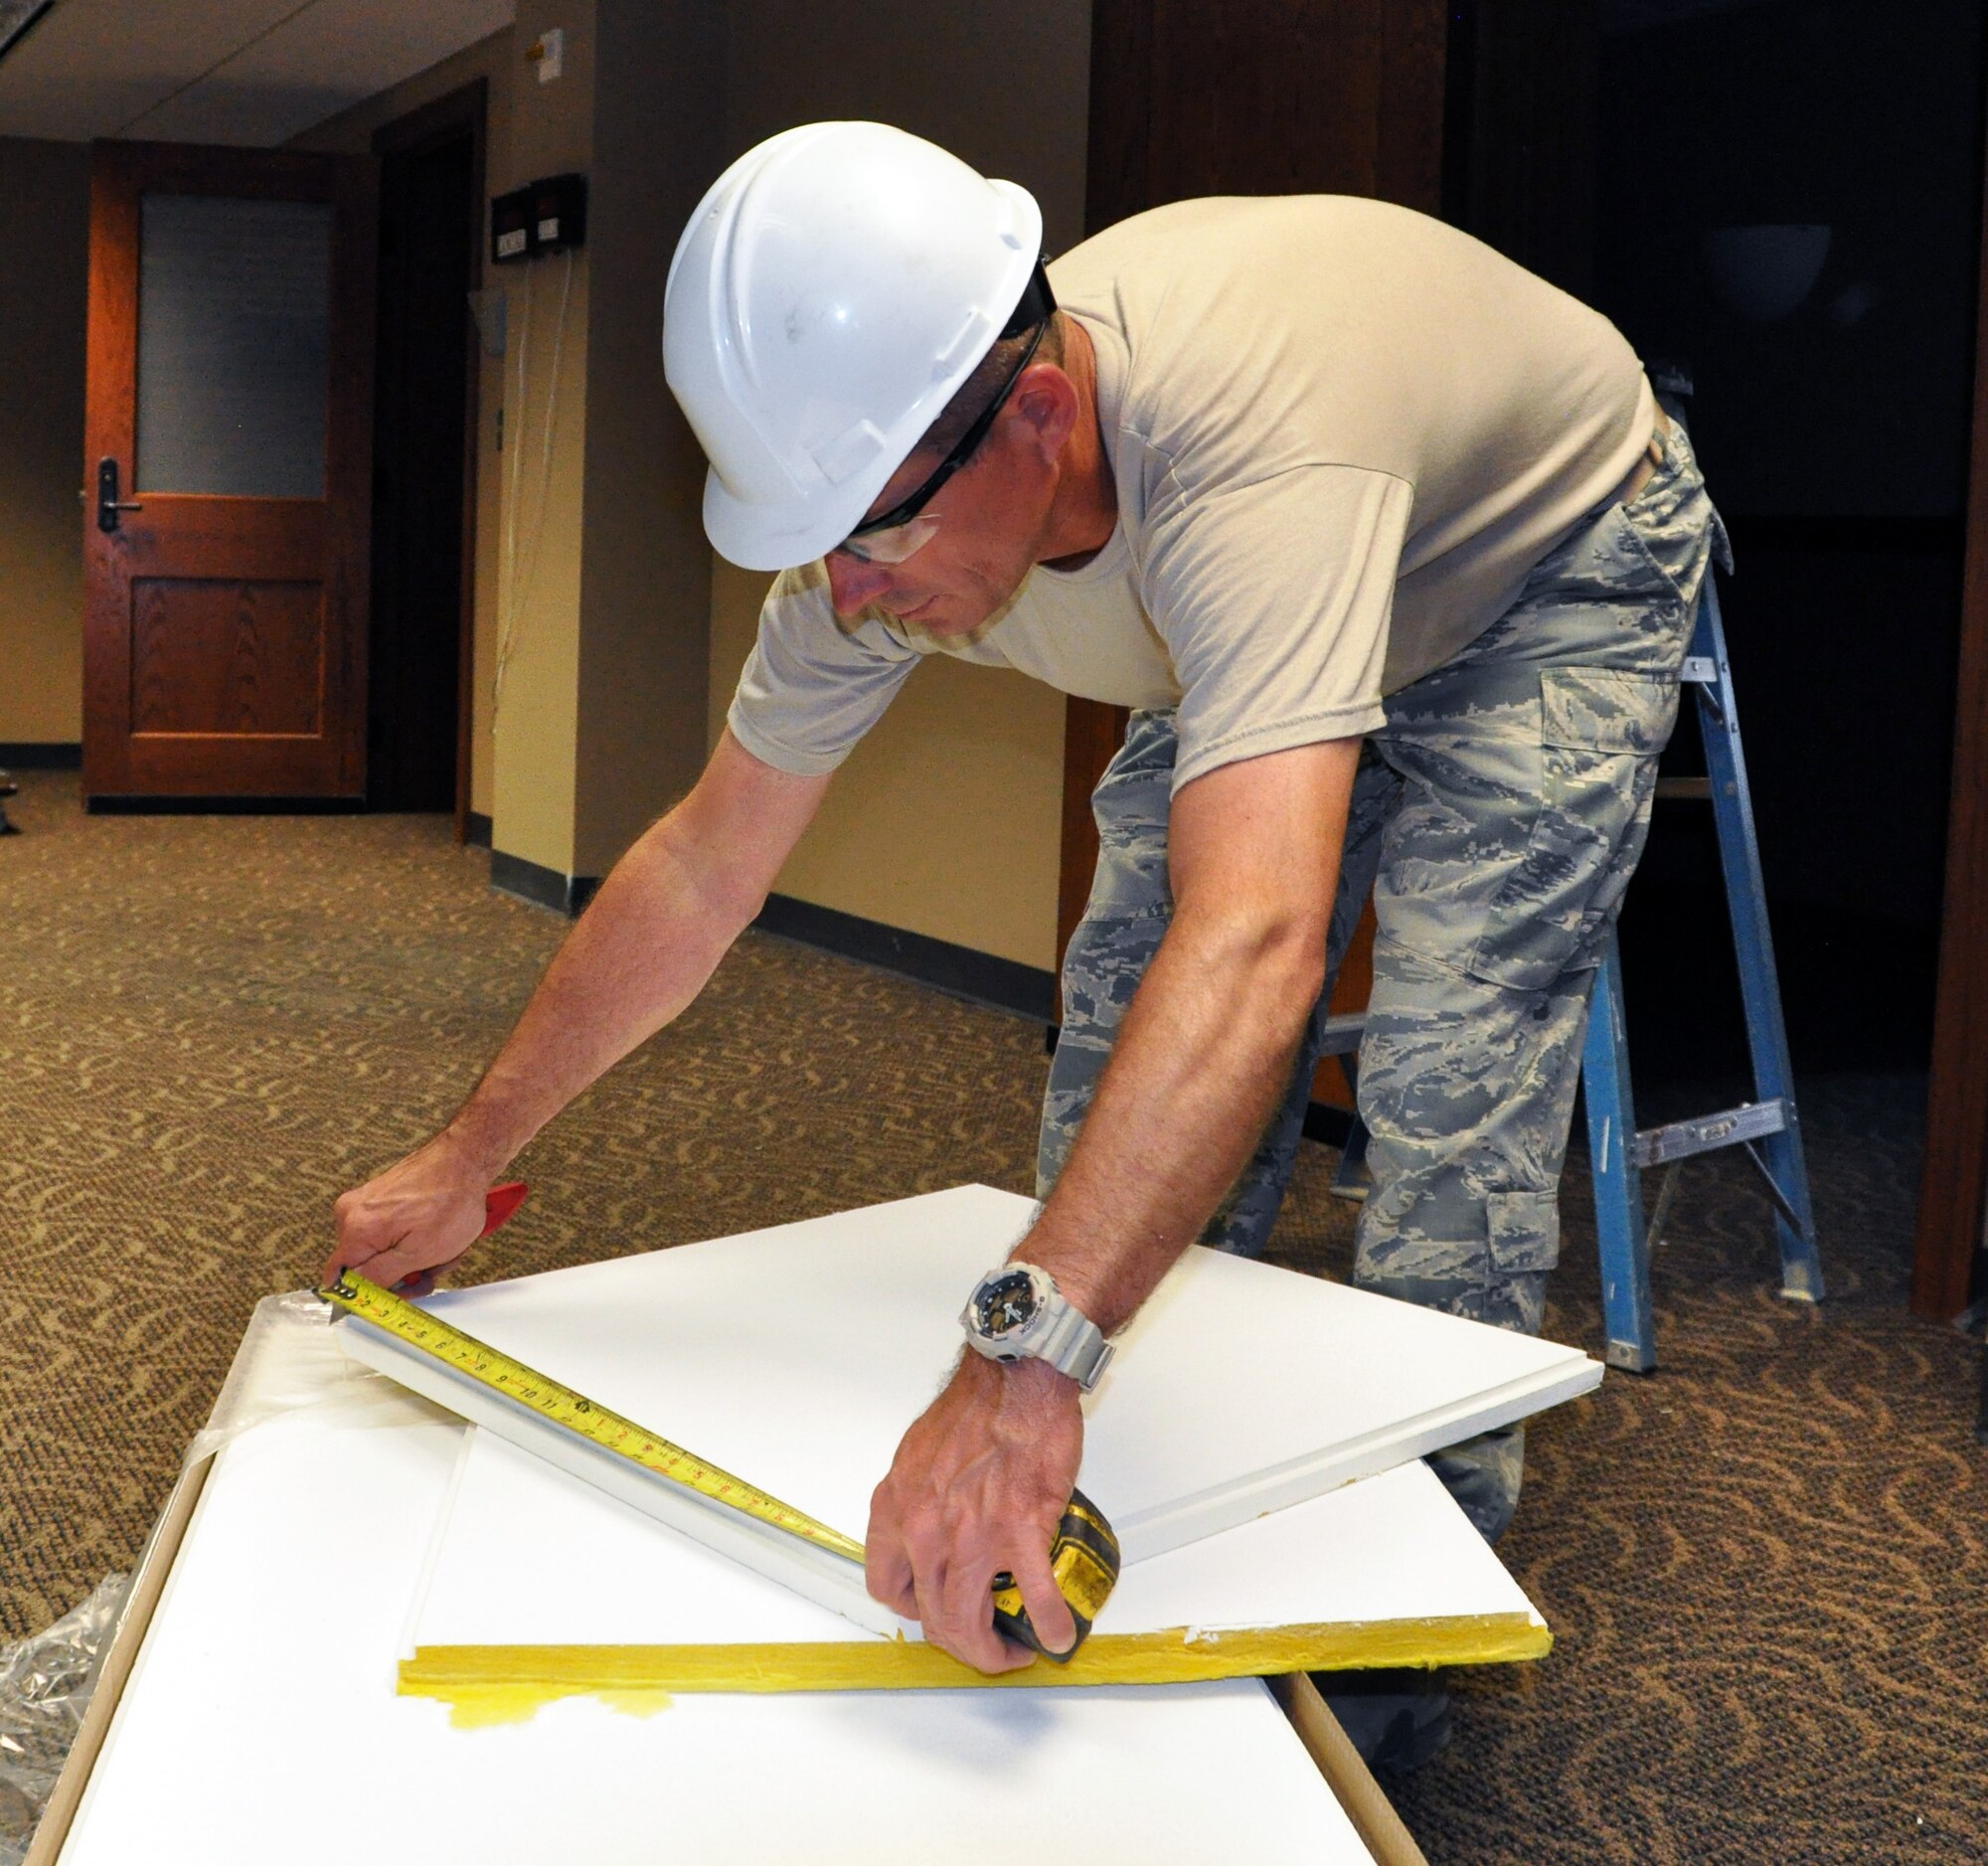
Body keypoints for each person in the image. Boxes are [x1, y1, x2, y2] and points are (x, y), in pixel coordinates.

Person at [326, 123, 1727, 1717]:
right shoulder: (896, 498)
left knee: (1444, 1071)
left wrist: (1012, 1365)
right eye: (818, 546)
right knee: (1128, 1044)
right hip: (1246, 604)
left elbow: (1262, 935)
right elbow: (705, 867)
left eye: (873, 539)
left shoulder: (1251, 451)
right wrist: (471, 1149)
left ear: (1041, 416)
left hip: (1540, 563)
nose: (847, 598)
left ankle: (1392, 1625)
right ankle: (1102, 1476)